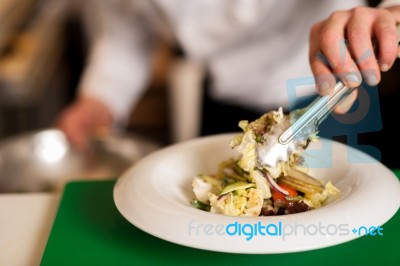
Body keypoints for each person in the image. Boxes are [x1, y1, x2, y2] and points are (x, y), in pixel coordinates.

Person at [56, 0, 400, 151]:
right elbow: (125, 28)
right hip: (225, 100)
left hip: (332, 88)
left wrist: (391, 12)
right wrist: (101, 98)